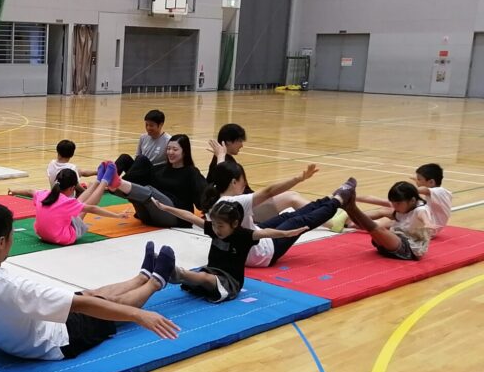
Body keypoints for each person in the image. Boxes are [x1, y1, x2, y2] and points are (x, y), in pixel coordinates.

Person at [0, 202, 179, 361]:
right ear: (1, 242)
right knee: (99, 303)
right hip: (56, 342)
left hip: (14, 339)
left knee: (89, 293)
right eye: (10, 237)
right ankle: (154, 283)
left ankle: (140, 277)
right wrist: (139, 316)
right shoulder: (10, 288)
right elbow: (81, 306)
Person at [146, 200, 309, 303]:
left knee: (203, 277)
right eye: (214, 224)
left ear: (235, 224)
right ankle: (174, 273)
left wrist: (287, 234)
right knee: (203, 276)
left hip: (230, 282)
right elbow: (190, 217)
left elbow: (266, 232)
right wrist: (166, 208)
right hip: (211, 271)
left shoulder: (243, 236)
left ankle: (175, 272)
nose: (216, 229)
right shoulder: (214, 229)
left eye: (221, 226)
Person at [203, 161, 356, 267]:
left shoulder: (213, 201)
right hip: (260, 255)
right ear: (233, 182)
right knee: (298, 221)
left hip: (246, 243)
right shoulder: (236, 202)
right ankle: (338, 200)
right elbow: (269, 191)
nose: (245, 185)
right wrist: (299, 178)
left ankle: (329, 199)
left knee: (286, 216)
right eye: (243, 181)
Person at [205, 123, 309, 220]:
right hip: (241, 209)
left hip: (245, 204)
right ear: (228, 141)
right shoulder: (222, 164)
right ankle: (319, 215)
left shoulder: (225, 161)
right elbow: (223, 187)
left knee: (292, 195)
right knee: (291, 197)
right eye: (239, 141)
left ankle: (318, 214)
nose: (241, 145)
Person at [8, 167, 127, 246]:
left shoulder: (43, 194)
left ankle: (98, 181)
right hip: (63, 238)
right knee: (83, 208)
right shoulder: (67, 202)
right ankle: (103, 181)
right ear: (72, 188)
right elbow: (92, 208)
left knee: (77, 204)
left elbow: (29, 191)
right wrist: (117, 215)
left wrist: (14, 191)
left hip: (42, 235)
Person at [111, 134, 207, 227]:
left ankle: (117, 184)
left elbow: (204, 196)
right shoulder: (161, 169)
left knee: (150, 191)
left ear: (184, 152)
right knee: (138, 160)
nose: (170, 152)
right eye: (168, 149)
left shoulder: (191, 172)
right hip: (148, 215)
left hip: (175, 216)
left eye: (175, 149)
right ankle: (111, 183)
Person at [331, 162, 452, 233]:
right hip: (427, 225)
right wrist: (352, 196)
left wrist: (405, 189)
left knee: (385, 218)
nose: (417, 182)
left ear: (431, 182)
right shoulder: (434, 197)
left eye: (419, 180)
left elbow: (421, 191)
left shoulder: (439, 192)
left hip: (426, 228)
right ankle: (348, 216)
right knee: (387, 208)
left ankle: (349, 222)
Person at [340, 180, 439, 260]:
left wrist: (428, 223)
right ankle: (349, 214)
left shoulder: (421, 210)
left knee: (378, 228)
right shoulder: (403, 205)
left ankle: (352, 208)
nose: (394, 206)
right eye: (393, 203)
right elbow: (371, 200)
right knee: (376, 221)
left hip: (409, 250)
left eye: (398, 204)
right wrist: (354, 198)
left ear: (412, 200)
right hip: (387, 246)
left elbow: (422, 215)